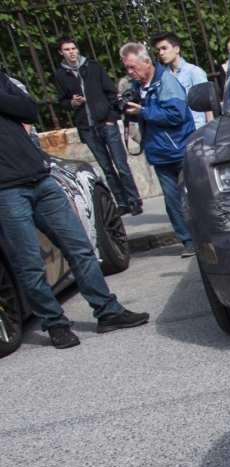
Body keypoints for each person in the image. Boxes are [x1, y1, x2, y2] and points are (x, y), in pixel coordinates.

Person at [0, 71, 148, 349]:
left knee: (79, 247)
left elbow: (30, 111)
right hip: (6, 191)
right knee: (29, 264)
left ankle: (108, 311)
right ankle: (55, 323)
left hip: (40, 178)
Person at [119, 42, 197, 257]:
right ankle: (188, 242)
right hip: (160, 153)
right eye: (126, 68)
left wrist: (143, 111)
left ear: (146, 62)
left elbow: (175, 115)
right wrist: (131, 112)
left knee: (193, 198)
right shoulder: (136, 88)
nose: (130, 72)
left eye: (133, 67)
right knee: (172, 202)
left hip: (179, 149)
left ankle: (202, 238)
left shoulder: (166, 82)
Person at [51, 36, 143, 217]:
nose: (71, 52)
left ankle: (134, 200)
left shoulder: (93, 67)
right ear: (61, 53)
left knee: (121, 164)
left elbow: (112, 94)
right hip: (87, 126)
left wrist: (111, 117)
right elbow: (62, 101)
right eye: (67, 49)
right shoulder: (60, 74)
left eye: (73, 48)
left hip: (106, 123)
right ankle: (121, 202)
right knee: (106, 168)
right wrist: (73, 103)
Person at [151, 32, 211, 129]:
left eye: (164, 48)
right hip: (177, 132)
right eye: (159, 50)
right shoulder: (162, 77)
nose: (161, 53)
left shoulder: (193, 72)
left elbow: (208, 105)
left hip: (197, 128)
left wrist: (212, 128)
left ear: (176, 49)